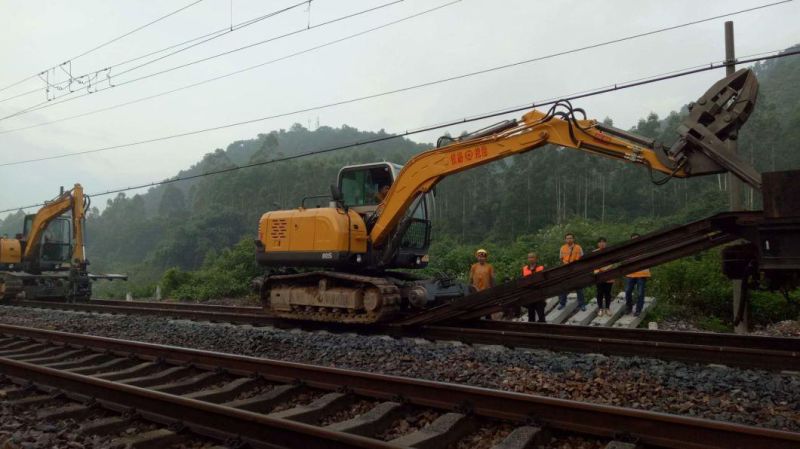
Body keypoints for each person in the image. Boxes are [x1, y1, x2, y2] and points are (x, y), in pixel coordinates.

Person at [625, 233, 651, 316]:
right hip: (631, 274)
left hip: (642, 273)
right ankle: (629, 307)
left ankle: (638, 310)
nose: (635, 240)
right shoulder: (628, 249)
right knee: (628, 291)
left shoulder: (644, 247)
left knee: (640, 293)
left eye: (636, 239)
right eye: (633, 239)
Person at [558, 233, 586, 311]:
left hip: (576, 270)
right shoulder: (562, 248)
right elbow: (561, 259)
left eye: (570, 238)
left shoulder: (578, 247)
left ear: (573, 239)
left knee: (579, 288)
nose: (569, 239)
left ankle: (582, 304)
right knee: (564, 287)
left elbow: (582, 258)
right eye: (567, 238)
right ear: (565, 239)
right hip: (566, 270)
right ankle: (562, 303)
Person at [593, 237, 615, 317]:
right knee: (599, 293)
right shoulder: (594, 252)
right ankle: (600, 308)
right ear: (597, 244)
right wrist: (600, 270)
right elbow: (593, 263)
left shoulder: (610, 252)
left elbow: (612, 262)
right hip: (598, 275)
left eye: (603, 242)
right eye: (600, 242)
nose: (602, 243)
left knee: (608, 293)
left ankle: (607, 308)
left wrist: (604, 269)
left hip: (609, 274)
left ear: (606, 243)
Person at [521, 252, 546, 322]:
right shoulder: (524, 269)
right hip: (529, 295)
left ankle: (543, 330)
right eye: (529, 257)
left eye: (532, 257)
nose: (531, 259)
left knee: (541, 316)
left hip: (539, 295)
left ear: (536, 259)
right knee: (531, 316)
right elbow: (522, 282)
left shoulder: (541, 268)